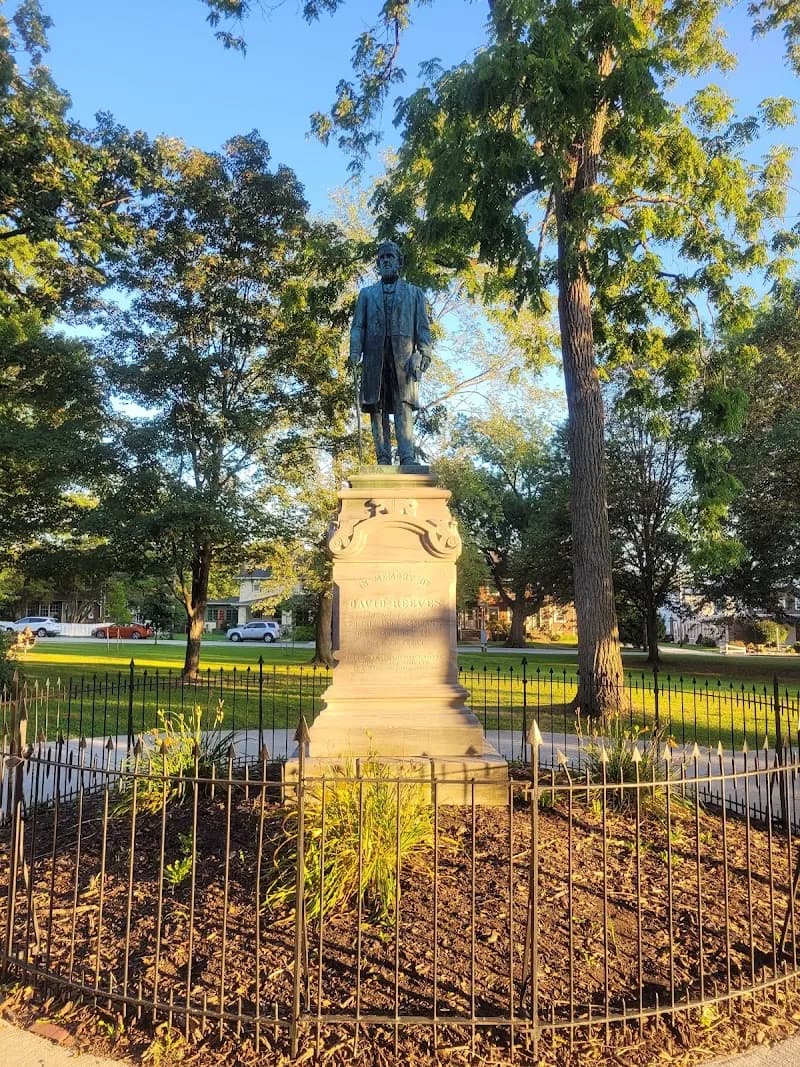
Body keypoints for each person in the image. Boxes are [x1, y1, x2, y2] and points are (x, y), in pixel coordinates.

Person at [349, 240, 434, 466]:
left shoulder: (414, 294)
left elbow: (422, 327)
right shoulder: (366, 294)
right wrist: (354, 351)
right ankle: (383, 457)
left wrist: (425, 352)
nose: (385, 260)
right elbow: (358, 326)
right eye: (382, 258)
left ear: (399, 262)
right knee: (376, 406)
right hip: (374, 357)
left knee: (402, 403)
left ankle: (407, 455)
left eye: (390, 257)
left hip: (403, 358)